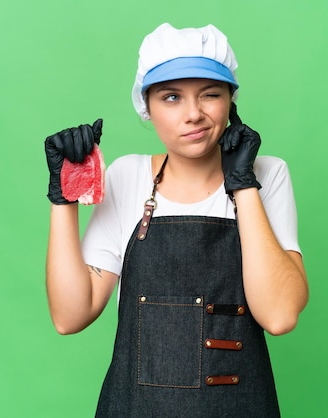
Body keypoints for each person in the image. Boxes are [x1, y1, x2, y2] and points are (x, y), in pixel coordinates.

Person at [44, 22, 309, 417]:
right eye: (171, 97)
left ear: (230, 102)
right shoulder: (127, 176)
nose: (193, 114)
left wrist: (243, 184)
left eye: (210, 95)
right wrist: (65, 198)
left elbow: (280, 315)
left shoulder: (267, 174)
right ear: (146, 107)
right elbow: (70, 316)